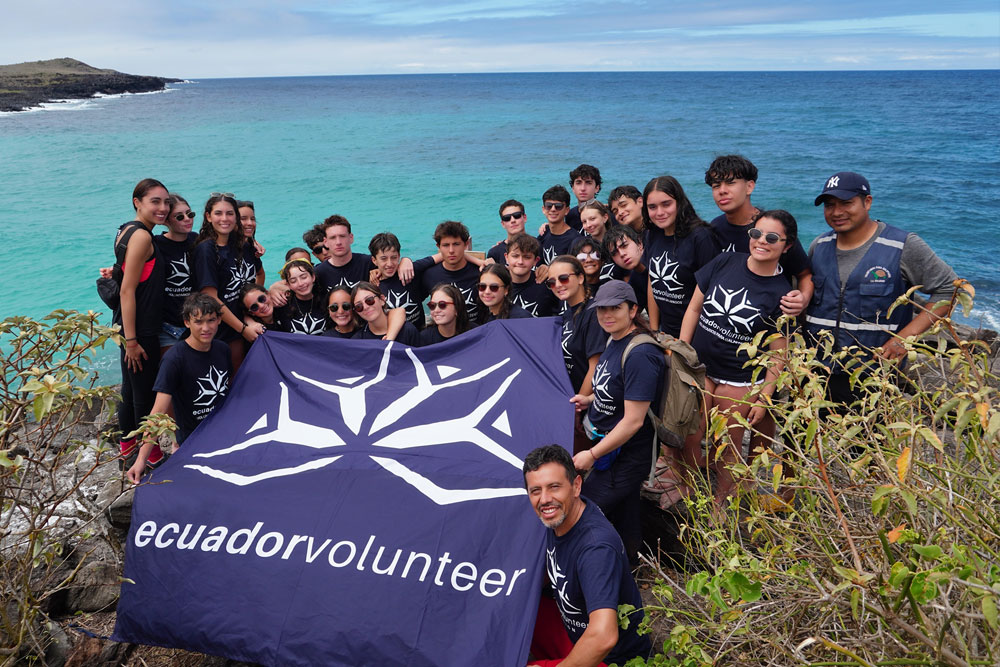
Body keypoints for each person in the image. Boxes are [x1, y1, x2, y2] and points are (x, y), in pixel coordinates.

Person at [806, 172, 958, 406]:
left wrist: (903, 339)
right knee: (806, 441)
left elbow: (950, 290)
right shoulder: (819, 246)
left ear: (867, 202)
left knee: (864, 443)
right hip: (815, 374)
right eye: (829, 205)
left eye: (847, 203)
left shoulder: (901, 245)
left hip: (874, 377)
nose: (837, 212)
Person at [680, 211, 796, 506]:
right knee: (690, 436)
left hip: (740, 379)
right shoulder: (724, 261)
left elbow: (778, 351)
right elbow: (694, 308)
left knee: (727, 445)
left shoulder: (782, 293)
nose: (761, 242)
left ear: (787, 245)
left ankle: (721, 500)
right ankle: (691, 490)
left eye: (772, 238)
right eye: (756, 234)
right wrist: (681, 353)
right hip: (701, 368)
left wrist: (765, 396)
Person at [523, 444, 651, 667]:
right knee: (510, 606)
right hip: (574, 628)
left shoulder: (595, 548)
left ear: (576, 486)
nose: (544, 499)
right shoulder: (563, 515)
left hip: (609, 659)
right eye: (536, 490)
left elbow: (604, 637)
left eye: (554, 487)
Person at [569, 280, 664, 563]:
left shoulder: (641, 354)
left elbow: (633, 421)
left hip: (626, 454)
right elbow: (614, 386)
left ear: (633, 310)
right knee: (626, 509)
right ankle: (632, 563)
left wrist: (592, 454)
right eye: (601, 310)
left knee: (583, 507)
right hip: (610, 447)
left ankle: (596, 568)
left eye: (615, 309)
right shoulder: (614, 339)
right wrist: (591, 400)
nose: (606, 315)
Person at [126, 293, 232, 483]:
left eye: (211, 320)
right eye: (198, 322)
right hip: (193, 439)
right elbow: (158, 413)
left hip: (224, 432)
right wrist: (141, 460)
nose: (206, 328)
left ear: (219, 320)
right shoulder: (174, 359)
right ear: (186, 322)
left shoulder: (223, 349)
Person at [704, 155, 812, 316]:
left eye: (731, 183)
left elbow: (805, 274)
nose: (722, 191)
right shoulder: (715, 227)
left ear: (749, 186)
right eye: (716, 185)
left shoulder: (772, 233)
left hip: (767, 322)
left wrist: (803, 299)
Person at [114, 178, 169, 469]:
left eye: (165, 201)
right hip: (139, 327)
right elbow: (127, 290)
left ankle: (126, 447)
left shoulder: (126, 229)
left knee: (129, 387)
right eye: (155, 201)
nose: (162, 208)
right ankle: (151, 455)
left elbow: (121, 275)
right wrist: (133, 341)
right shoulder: (142, 237)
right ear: (138, 202)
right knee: (143, 392)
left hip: (126, 324)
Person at [191, 193, 263, 373]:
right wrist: (243, 328)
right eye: (218, 213)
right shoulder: (206, 250)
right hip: (222, 329)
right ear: (208, 217)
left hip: (244, 321)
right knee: (230, 376)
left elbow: (258, 275)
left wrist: (254, 307)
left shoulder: (243, 245)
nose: (225, 219)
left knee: (246, 373)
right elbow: (210, 296)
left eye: (230, 214)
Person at [641, 176, 719, 337]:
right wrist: (655, 331)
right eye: (652, 207)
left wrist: (683, 344)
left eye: (666, 204)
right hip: (665, 331)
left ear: (679, 202)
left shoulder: (701, 237)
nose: (660, 212)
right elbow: (653, 281)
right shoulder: (651, 234)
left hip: (696, 335)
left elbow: (710, 293)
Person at [547, 256, 606, 397]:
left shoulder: (593, 314)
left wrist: (578, 407)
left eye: (564, 278)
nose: (558, 285)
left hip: (586, 401)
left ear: (580, 278)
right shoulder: (567, 314)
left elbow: (596, 366)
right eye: (551, 282)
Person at [154, 193, 198, 355]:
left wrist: (252, 243)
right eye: (179, 216)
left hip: (197, 322)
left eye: (190, 214)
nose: (187, 219)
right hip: (168, 326)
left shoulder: (197, 240)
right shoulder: (156, 244)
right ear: (166, 220)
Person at [417, 221, 483, 324]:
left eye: (456, 244)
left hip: (477, 331)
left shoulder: (479, 273)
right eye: (446, 245)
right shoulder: (429, 275)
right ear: (438, 246)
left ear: (466, 244)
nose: (451, 250)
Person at [369, 232, 425, 329]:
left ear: (399, 256)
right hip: (393, 339)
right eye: (383, 259)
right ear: (374, 260)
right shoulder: (373, 286)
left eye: (394, 257)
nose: (389, 264)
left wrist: (406, 259)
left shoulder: (410, 272)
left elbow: (440, 257)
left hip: (419, 335)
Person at [313, 215, 375, 292]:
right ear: (326, 242)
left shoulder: (369, 263)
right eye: (333, 238)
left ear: (351, 238)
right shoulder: (319, 273)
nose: (338, 242)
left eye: (342, 236)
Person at [351, 282, 421, 344]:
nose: (365, 307)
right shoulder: (358, 341)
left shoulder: (407, 331)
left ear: (382, 300)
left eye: (369, 300)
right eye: (359, 306)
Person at [507, 234, 558, 317]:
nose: (520, 261)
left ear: (536, 260)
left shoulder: (547, 286)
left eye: (527, 257)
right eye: (515, 256)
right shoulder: (496, 285)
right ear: (506, 257)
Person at [601, 225, 648, 314]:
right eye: (615, 253)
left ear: (639, 244)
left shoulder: (657, 263)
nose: (622, 254)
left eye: (624, 246)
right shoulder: (634, 281)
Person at [277, 259, 329, 335]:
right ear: (288, 285)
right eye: (293, 281)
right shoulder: (281, 303)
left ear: (313, 277)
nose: (300, 283)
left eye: (304, 277)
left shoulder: (327, 300)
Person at [538, 185, 584, 265]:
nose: (553, 209)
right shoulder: (544, 233)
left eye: (558, 206)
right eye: (549, 206)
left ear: (567, 210)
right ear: (543, 209)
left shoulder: (575, 240)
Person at [487, 199, 529, 265]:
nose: (512, 220)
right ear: (503, 224)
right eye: (507, 218)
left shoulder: (538, 245)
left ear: (525, 218)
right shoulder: (495, 252)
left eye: (517, 215)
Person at [565, 164, 602, 232]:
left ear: (597, 188)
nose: (583, 188)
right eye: (578, 183)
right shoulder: (570, 215)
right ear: (573, 188)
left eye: (588, 183)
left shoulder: (605, 214)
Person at [237, 199, 266, 263]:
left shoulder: (250, 247)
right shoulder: (220, 251)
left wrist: (253, 241)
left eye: (253, 219)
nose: (250, 223)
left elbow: (260, 273)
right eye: (243, 219)